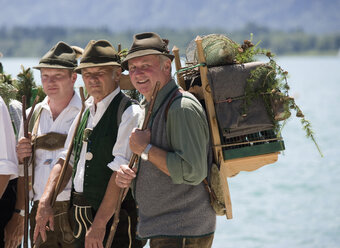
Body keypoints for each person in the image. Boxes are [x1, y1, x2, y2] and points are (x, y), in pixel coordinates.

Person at [34, 40, 144, 248]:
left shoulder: (129, 112)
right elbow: (66, 159)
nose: (92, 79)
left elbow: (119, 171)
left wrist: (100, 224)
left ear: (117, 74)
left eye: (99, 72)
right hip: (80, 215)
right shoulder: (86, 110)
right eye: (87, 74)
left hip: (114, 218)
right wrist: (45, 201)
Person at [116, 32, 216, 248]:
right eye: (132, 68)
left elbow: (192, 171)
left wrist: (145, 149)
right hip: (166, 229)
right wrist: (128, 176)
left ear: (166, 67)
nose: (138, 73)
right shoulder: (148, 105)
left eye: (145, 65)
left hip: (183, 231)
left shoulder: (181, 108)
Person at [9, 41, 82, 247]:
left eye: (58, 76)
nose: (50, 82)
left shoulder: (86, 112)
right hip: (38, 211)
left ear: (73, 77)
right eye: (45, 77)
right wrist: (20, 154)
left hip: (74, 210)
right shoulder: (34, 115)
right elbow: (23, 170)